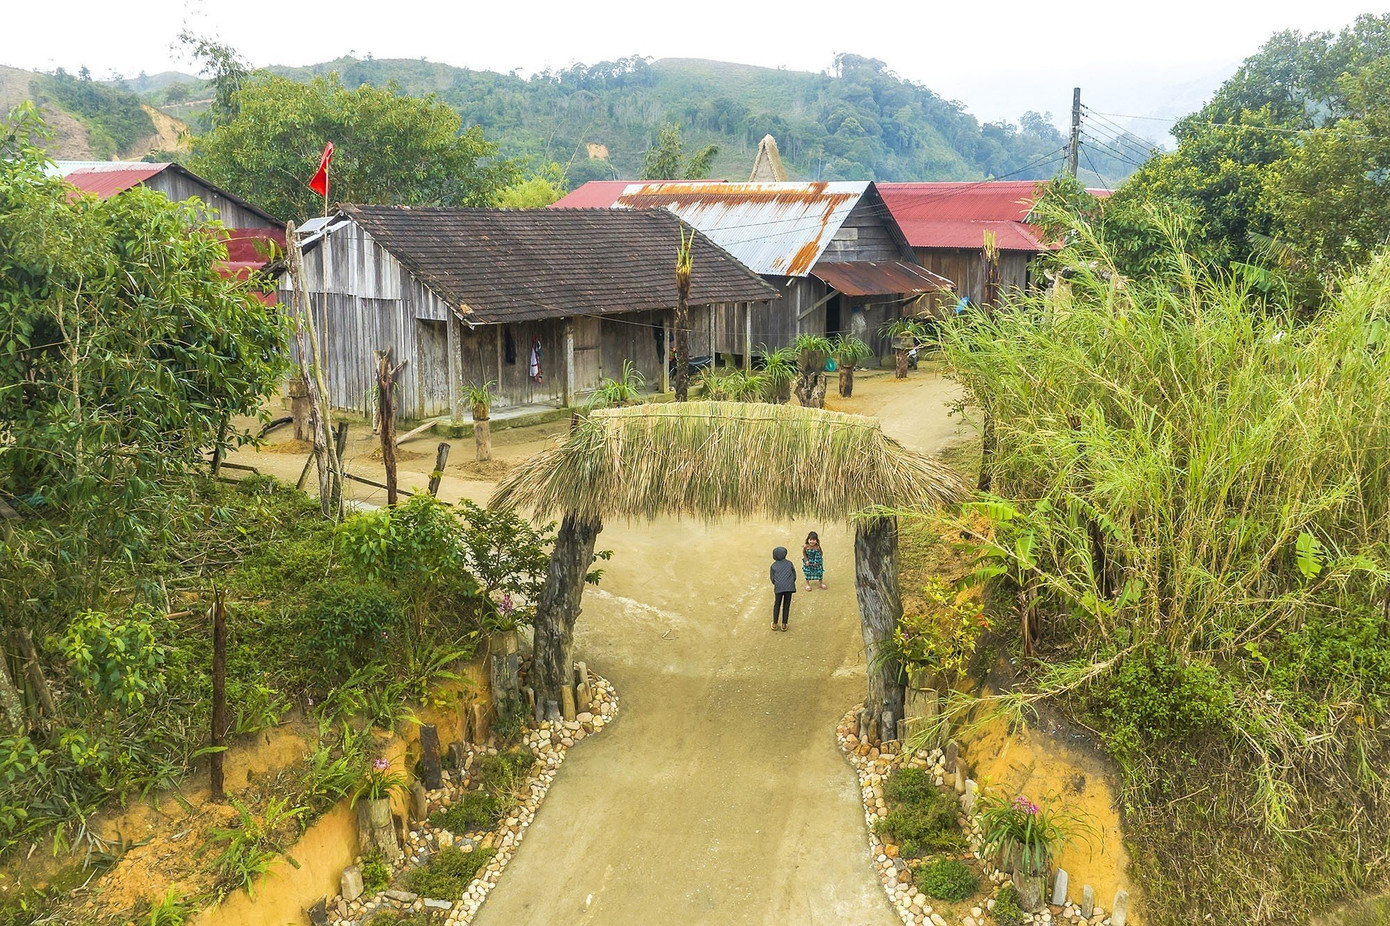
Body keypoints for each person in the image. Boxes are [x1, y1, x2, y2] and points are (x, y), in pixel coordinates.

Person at [769, 547, 797, 632]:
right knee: (786, 605)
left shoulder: (773, 566)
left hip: (779, 588)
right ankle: (784, 624)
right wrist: (789, 583)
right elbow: (794, 575)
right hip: (789, 587)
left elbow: (772, 579)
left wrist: (778, 584)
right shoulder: (789, 563)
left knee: (777, 604)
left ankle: (775, 623)